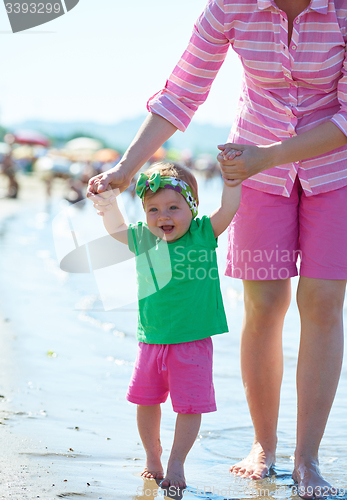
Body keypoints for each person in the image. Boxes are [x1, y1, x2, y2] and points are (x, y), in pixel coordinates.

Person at [87, 0, 347, 496]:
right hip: (251, 171)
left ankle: (307, 459)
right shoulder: (231, 6)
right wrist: (124, 169)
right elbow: (181, 92)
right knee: (265, 303)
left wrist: (271, 155)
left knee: (322, 303)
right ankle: (264, 447)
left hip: (334, 169)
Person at [88, 162, 241, 488]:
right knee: (146, 400)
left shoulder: (203, 233)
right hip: (152, 339)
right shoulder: (144, 238)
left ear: (193, 207)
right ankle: (153, 455)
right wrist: (109, 200)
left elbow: (229, 209)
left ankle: (176, 462)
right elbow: (116, 229)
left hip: (193, 341)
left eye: (174, 207)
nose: (163, 216)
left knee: (189, 405)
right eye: (153, 209)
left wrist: (232, 180)